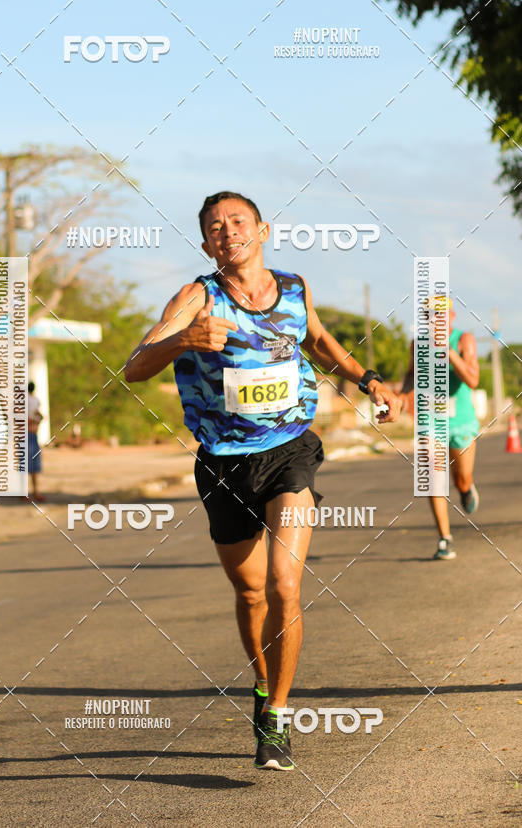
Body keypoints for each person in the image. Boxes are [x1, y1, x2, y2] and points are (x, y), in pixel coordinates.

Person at [124, 191, 402, 770]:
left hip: (289, 451)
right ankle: (260, 683)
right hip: (223, 463)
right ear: (207, 244)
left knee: (284, 584)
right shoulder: (196, 298)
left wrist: (368, 379)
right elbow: (135, 367)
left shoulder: (294, 288)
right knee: (250, 593)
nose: (228, 231)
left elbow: (317, 341)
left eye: (238, 221)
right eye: (215, 227)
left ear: (263, 230)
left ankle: (277, 713)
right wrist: (183, 340)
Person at [399, 297, 480, 560]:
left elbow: (473, 380)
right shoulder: (417, 344)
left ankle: (465, 488)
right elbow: (412, 374)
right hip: (430, 418)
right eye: (430, 315)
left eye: (441, 314)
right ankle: (445, 538)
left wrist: (449, 351)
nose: (435, 319)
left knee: (461, 477)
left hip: (460, 420)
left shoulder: (464, 340)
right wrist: (402, 396)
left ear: (452, 317)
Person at [27, 381, 46, 503]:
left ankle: (30, 492)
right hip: (30, 435)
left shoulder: (25, 401)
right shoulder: (33, 400)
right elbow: (38, 415)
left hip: (30, 435)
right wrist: (36, 421)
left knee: (28, 466)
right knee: (31, 466)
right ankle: (35, 492)